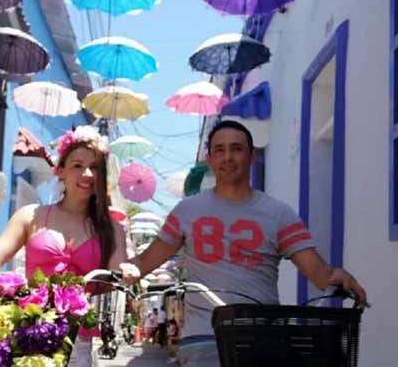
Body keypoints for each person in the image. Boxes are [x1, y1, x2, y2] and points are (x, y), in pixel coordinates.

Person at [126, 120, 368, 367]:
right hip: (203, 338)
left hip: (263, 336)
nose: (227, 157)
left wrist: (338, 277)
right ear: (210, 159)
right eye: (219, 150)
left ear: (252, 156)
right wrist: (108, 277)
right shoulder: (186, 211)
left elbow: (317, 272)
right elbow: (145, 261)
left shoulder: (279, 214)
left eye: (236, 149)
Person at [0, 125, 135, 367]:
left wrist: (128, 272)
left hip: (77, 340)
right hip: (30, 331)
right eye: (77, 166)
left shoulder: (111, 229)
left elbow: (117, 272)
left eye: (95, 167)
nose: (87, 174)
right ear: (60, 171)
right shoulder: (30, 215)